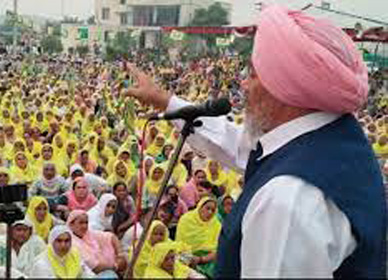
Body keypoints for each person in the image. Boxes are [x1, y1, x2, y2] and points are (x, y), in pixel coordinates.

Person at [126, 6, 386, 277]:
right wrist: (165, 100)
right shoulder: (335, 139)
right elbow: (239, 146)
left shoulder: (286, 200)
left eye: (252, 73)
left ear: (285, 86)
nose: (243, 86)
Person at [67, 210, 127, 278]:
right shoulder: (70, 241)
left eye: (86, 222)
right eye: (81, 223)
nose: (84, 226)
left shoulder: (88, 234)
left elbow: (111, 236)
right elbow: (94, 267)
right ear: (71, 224)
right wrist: (115, 266)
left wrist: (120, 255)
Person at [30, 225, 96, 278]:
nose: (63, 245)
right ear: (52, 242)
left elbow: (87, 274)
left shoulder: (74, 255)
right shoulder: (41, 263)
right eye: (59, 241)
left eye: (67, 241)